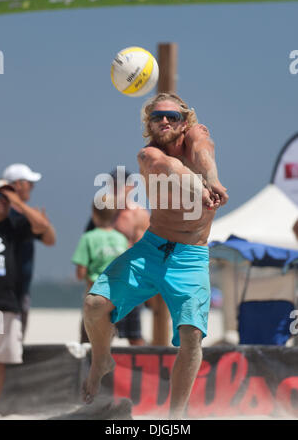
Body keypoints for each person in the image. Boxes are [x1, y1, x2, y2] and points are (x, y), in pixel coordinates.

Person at [82, 92, 228, 419]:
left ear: (184, 121)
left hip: (190, 257)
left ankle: (176, 418)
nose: (164, 121)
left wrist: (213, 178)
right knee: (93, 305)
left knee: (191, 338)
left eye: (172, 117)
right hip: (152, 248)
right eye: (156, 116)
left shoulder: (199, 137)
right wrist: (202, 188)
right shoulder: (148, 154)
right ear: (148, 124)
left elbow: (203, 152)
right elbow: (169, 167)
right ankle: (102, 358)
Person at [0, 179, 55, 400]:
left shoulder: (15, 225)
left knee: (1, 360)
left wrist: (16, 202)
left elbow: (45, 230)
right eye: (0, 197)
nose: (4, 202)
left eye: (6, 199)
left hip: (7, 301)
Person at [85, 169, 149, 346]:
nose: (117, 190)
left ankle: (145, 371)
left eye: (120, 186)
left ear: (132, 187)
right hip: (101, 282)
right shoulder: (101, 212)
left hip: (128, 282)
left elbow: (145, 250)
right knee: (94, 335)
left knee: (134, 334)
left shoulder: (138, 215)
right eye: (113, 185)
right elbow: (90, 247)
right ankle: (91, 371)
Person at [1, 163, 56, 336]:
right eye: (29, 183)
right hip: (3, 289)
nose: (32, 187)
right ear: (17, 184)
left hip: (20, 289)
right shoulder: (7, 215)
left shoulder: (24, 216)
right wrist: (15, 202)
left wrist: (21, 206)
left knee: (15, 342)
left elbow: (49, 238)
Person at [72, 198, 129, 343]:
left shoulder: (88, 238)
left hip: (95, 294)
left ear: (94, 215)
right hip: (117, 297)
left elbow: (80, 273)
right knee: (108, 341)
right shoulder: (122, 239)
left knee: (88, 340)